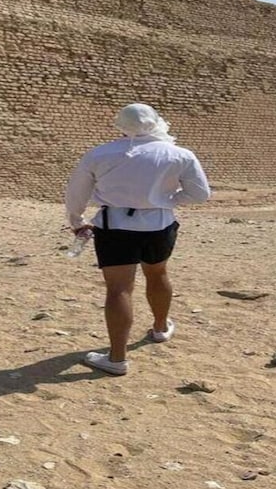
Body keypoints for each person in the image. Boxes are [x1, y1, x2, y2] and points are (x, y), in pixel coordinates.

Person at [64, 103, 211, 375]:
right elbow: (200, 194)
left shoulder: (99, 154)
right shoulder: (179, 154)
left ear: (120, 125)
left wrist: (77, 221)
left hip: (115, 227)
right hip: (160, 224)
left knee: (119, 289)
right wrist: (164, 201)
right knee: (158, 274)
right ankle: (160, 328)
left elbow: (76, 194)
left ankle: (117, 359)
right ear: (156, 122)